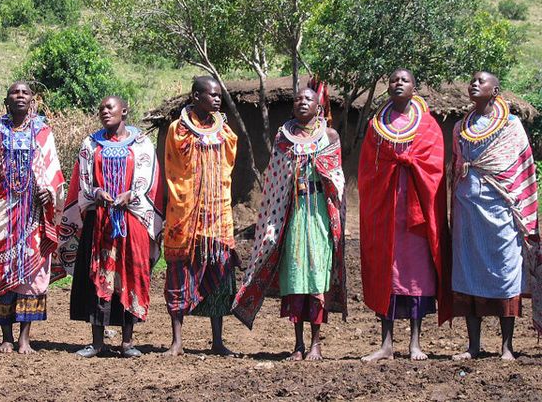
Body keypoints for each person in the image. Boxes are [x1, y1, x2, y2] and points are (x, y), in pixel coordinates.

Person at [233, 85, 347, 361]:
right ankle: (297, 345)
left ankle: (316, 344)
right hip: (291, 213)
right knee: (295, 277)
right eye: (297, 99)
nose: (301, 102)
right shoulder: (284, 138)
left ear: (318, 106)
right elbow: (275, 177)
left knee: (318, 274)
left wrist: (320, 167)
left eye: (308, 99)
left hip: (319, 212)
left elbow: (338, 176)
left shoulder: (329, 136)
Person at [0, 82, 66, 354]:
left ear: (32, 100)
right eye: (15, 93)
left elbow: (54, 170)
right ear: (7, 100)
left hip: (34, 212)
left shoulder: (42, 131)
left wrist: (49, 193)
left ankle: (25, 338)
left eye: (25, 93)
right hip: (0, 210)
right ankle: (5, 336)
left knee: (33, 273)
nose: (20, 96)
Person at [58, 96, 163, 358]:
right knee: (97, 275)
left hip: (131, 220)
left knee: (130, 274)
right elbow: (83, 180)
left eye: (110, 107)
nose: (104, 112)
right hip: (100, 219)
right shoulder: (90, 144)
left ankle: (127, 342)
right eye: (101, 108)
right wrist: (97, 192)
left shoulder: (142, 145)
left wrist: (131, 194)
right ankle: (97, 342)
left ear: (124, 111)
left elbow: (149, 179)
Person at [358, 68, 451, 362]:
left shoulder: (428, 126)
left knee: (416, 275)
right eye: (394, 80)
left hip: (417, 214)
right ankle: (385, 344)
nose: (398, 84)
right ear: (388, 88)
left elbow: (435, 166)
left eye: (405, 80)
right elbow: (367, 170)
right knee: (387, 271)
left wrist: (410, 165)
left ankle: (415, 343)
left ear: (415, 87)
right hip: (385, 210)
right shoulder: (376, 126)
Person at [451, 71, 539, 361]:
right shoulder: (461, 127)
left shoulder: (511, 126)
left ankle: (507, 346)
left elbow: (521, 167)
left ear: (495, 89)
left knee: (504, 272)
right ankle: (473, 346)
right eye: (472, 81)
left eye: (482, 81)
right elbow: (456, 167)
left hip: (500, 208)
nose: (474, 84)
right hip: (467, 211)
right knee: (468, 272)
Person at [163, 76, 238, 356]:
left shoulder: (224, 131)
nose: (218, 100)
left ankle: (217, 341)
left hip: (217, 216)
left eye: (219, 96)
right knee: (180, 277)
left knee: (218, 277)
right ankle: (177, 341)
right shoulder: (178, 130)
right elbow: (175, 168)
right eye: (212, 95)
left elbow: (229, 161)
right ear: (196, 96)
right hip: (186, 215)